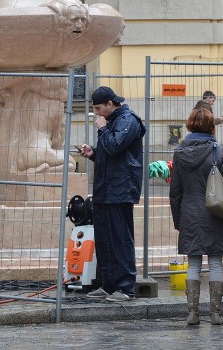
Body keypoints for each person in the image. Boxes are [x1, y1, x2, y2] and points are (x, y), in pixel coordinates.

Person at [170, 108, 223, 326]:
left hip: (190, 212)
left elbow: (175, 192)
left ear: (190, 125)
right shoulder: (217, 151)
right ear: (211, 125)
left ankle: (193, 313)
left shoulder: (179, 152)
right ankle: (216, 313)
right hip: (216, 211)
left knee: (193, 264)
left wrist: (178, 220)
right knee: (216, 262)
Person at [78, 86, 146, 303]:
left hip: (121, 189)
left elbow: (115, 146)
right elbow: (108, 153)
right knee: (105, 239)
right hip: (106, 188)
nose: (97, 113)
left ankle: (126, 287)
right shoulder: (113, 122)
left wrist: (102, 130)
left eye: (99, 108)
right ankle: (108, 284)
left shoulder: (128, 120)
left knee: (120, 239)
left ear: (110, 103)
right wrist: (93, 153)